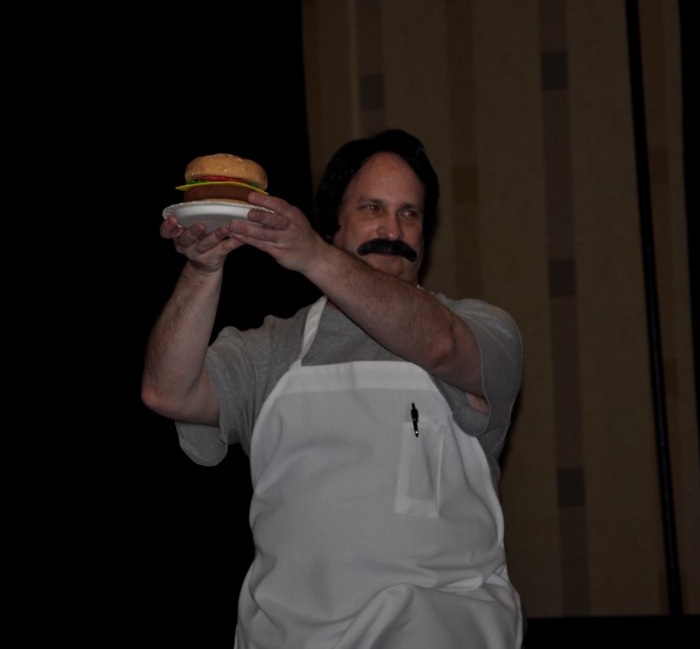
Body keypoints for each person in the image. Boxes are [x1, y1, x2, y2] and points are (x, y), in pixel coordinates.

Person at [142, 129, 525, 648]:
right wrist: (201, 270)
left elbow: (440, 346)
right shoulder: (270, 349)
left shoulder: (482, 329)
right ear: (334, 224)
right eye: (372, 208)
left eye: (410, 214)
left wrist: (313, 257)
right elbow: (167, 393)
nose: (393, 229)